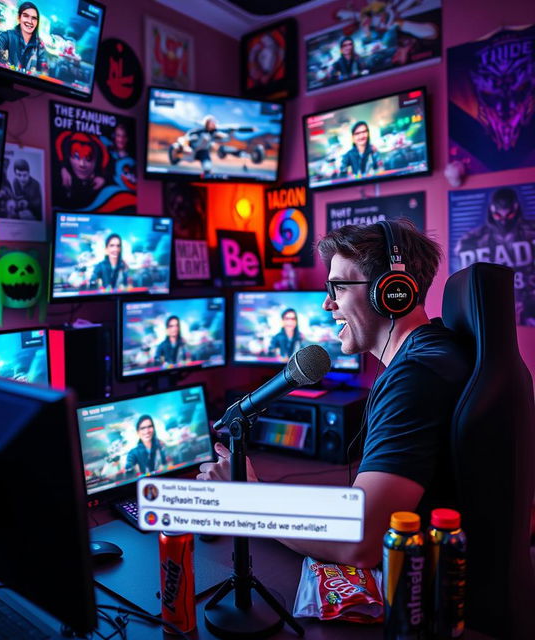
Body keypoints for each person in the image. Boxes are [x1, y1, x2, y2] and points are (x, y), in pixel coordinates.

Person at [198, 219, 473, 568]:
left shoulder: (415, 377)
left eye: (338, 288)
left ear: (392, 290)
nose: (327, 305)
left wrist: (247, 498)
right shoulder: (435, 351)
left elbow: (360, 541)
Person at [454, 187, 535, 327]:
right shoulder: (470, 240)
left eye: (509, 215)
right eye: (498, 216)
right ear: (491, 212)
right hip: (488, 314)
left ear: (516, 210)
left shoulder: (532, 232)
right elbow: (463, 283)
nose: (503, 221)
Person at [0, 1, 47, 73]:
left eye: (34, 18)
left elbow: (43, 69)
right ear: (19, 18)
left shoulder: (39, 44)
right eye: (26, 16)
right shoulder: (7, 36)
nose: (30, 21)